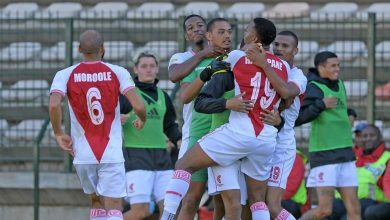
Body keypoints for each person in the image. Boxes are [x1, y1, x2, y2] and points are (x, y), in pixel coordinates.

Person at [161, 17, 288, 220]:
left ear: (253, 37)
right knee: (198, 198)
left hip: (231, 135)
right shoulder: (280, 65)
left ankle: (165, 217)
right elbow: (184, 95)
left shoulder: (236, 57)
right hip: (219, 132)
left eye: (230, 31)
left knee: (231, 204)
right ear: (209, 36)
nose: (228, 35)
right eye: (221, 32)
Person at [48, 30, 146, 220]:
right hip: (110, 150)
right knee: (114, 205)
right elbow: (139, 106)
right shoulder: (118, 72)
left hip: (83, 152)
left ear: (79, 49)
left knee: (95, 200)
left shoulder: (65, 74)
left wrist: (58, 133)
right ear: (103, 48)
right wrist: (142, 118)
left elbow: (53, 104)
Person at [167, 15, 225, 219]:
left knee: (221, 198)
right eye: (190, 28)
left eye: (200, 25)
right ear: (186, 35)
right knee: (191, 197)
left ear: (208, 31)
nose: (195, 30)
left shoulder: (225, 56)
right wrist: (202, 55)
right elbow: (174, 76)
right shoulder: (182, 57)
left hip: (223, 129)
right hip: (195, 129)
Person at [246, 30, 307, 220]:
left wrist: (264, 65)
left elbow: (287, 92)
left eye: (285, 46)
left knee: (272, 207)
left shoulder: (298, 75)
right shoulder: (264, 68)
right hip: (260, 143)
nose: (279, 49)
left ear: (295, 51)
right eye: (277, 45)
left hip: (281, 146)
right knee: (252, 204)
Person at [295, 51, 361, 220]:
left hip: (346, 153)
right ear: (321, 67)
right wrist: (320, 105)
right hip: (325, 155)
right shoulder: (314, 87)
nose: (337, 69)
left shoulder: (339, 84)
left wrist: (351, 113)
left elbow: (341, 109)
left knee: (354, 209)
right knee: (324, 210)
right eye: (333, 65)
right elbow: (299, 118)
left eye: (338, 65)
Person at [120, 53, 182, 220]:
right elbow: (106, 117)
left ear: (157, 69)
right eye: (144, 66)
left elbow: (170, 125)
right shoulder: (129, 95)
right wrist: (114, 119)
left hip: (163, 158)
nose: (148, 69)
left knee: (169, 209)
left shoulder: (163, 96)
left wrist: (178, 139)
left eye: (152, 66)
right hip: (137, 156)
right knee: (142, 211)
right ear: (135, 69)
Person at [329, 125, 390, 220]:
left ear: (380, 138)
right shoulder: (353, 158)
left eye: (372, 135)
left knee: (346, 218)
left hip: (372, 202)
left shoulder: (386, 158)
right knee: (326, 212)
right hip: (345, 200)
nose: (368, 138)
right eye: (365, 136)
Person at [281, 150, 309, 219]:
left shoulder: (295, 158)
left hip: (295, 203)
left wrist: (270, 198)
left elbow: (291, 188)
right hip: (283, 199)